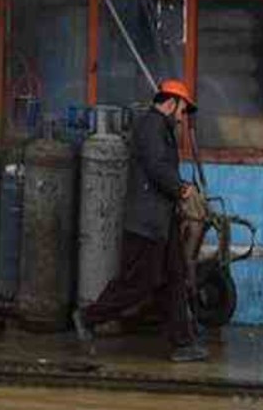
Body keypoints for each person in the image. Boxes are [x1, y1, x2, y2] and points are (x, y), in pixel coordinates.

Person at [72, 79, 208, 363]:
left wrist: (179, 191)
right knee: (138, 283)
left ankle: (183, 342)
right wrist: (181, 188)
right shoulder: (151, 126)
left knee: (174, 278)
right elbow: (157, 166)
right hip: (145, 224)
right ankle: (88, 317)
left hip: (161, 221)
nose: (182, 119)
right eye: (182, 111)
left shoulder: (160, 128)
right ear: (170, 104)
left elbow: (161, 168)